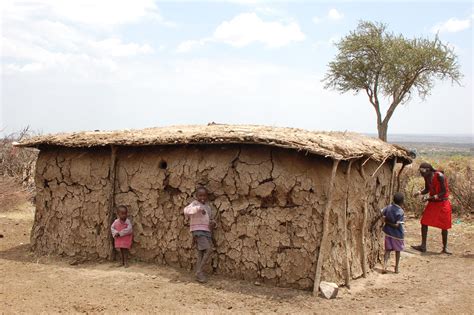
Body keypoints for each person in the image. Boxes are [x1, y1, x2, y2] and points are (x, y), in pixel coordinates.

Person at [412, 162, 452, 254]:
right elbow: (427, 189)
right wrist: (419, 192)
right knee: (424, 222)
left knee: (444, 225)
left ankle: (445, 247)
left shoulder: (440, 176)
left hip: (443, 203)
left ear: (428, 170)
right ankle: (423, 246)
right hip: (433, 203)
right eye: (420, 171)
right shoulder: (426, 177)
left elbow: (443, 191)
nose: (421, 173)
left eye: (423, 171)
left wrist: (429, 198)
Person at [183, 187, 216, 283]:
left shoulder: (208, 207)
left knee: (201, 253)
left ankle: (198, 272)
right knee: (209, 249)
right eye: (200, 195)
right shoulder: (194, 204)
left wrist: (213, 223)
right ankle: (199, 272)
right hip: (198, 231)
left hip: (206, 231)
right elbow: (186, 211)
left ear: (207, 196)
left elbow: (210, 219)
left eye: (204, 195)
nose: (202, 197)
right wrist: (197, 208)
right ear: (196, 196)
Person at [377, 192, 405, 274]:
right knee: (398, 251)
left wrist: (384, 220)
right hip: (398, 235)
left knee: (387, 250)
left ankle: (384, 266)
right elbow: (397, 225)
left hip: (388, 233)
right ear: (402, 201)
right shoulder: (400, 211)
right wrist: (387, 222)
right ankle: (396, 268)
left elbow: (381, 213)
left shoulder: (389, 207)